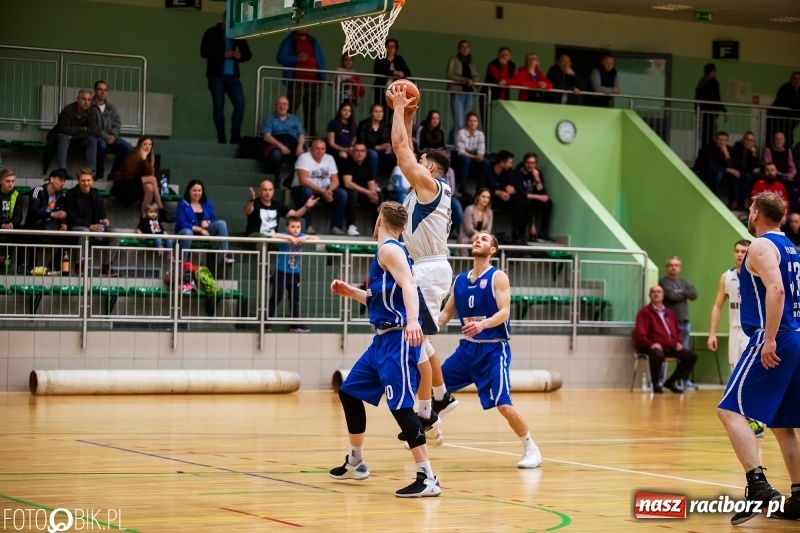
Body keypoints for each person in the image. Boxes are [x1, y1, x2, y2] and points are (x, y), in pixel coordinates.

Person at [329, 201, 440, 498]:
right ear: (402, 226)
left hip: (397, 340)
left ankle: (427, 477)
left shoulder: (389, 249)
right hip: (381, 340)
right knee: (349, 392)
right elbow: (382, 299)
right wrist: (351, 292)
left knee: (401, 406)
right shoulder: (386, 254)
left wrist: (414, 321)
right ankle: (356, 460)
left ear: (379, 221)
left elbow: (408, 285)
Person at [717, 191, 800, 525]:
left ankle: (758, 485)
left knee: (729, 410)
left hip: (775, 336)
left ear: (754, 214)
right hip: (794, 335)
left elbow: (777, 290)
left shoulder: (761, 246)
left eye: (749, 211)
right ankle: (798, 496)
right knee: (783, 425)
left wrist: (768, 339)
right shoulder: (792, 248)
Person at [389, 83, 460, 444]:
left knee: (416, 339)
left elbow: (402, 151)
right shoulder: (427, 187)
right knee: (417, 339)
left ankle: (428, 410)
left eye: (422, 163)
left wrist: (399, 109)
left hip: (429, 268)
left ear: (431, 167)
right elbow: (409, 149)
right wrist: (409, 111)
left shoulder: (430, 184)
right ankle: (441, 397)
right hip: (423, 266)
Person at [436, 231, 543, 468]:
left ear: (492, 250)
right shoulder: (460, 280)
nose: (477, 240)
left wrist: (482, 324)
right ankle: (429, 427)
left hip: (494, 351)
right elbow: (445, 314)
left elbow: (504, 312)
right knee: (435, 388)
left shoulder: (498, 277)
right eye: (476, 237)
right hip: (467, 351)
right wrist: (425, 330)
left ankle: (531, 449)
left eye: (484, 239)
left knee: (504, 406)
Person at [707, 239, 763, 437]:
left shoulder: (758, 274)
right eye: (737, 251)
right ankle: (745, 419)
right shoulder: (727, 277)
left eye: (744, 251)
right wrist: (712, 333)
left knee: (751, 376)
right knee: (734, 373)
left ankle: (756, 421)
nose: (740, 254)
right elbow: (717, 306)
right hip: (734, 330)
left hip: (753, 331)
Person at [633, 285, 698, 393]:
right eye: (653, 292)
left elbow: (677, 331)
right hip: (650, 347)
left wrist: (678, 342)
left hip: (670, 347)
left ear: (663, 296)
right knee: (657, 355)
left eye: (659, 292)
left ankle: (671, 381)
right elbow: (640, 333)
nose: (656, 294)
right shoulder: (644, 312)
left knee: (691, 356)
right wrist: (650, 344)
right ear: (650, 295)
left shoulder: (669, 312)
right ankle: (655, 384)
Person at [200, 11, 252, 144]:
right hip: (216, 76)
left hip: (233, 77)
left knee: (240, 105)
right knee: (219, 106)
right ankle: (221, 138)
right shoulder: (211, 32)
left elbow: (248, 54)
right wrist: (224, 54)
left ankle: (235, 137)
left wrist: (240, 56)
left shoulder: (238, 35)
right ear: (223, 19)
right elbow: (204, 52)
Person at [267, 215, 318, 334]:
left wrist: (305, 237)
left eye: (298, 227)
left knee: (294, 299)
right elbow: (273, 235)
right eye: (293, 227)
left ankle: (295, 325)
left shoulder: (301, 236)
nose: (296, 229)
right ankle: (266, 323)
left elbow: (317, 238)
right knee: (276, 297)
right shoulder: (284, 236)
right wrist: (289, 238)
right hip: (281, 271)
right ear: (287, 227)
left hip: (295, 273)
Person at [64, 168, 119, 276]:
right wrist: (90, 226)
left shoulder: (96, 194)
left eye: (88, 180)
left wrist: (105, 221)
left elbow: (102, 214)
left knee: (115, 235)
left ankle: (106, 266)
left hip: (95, 227)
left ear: (92, 181)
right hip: (77, 227)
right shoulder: (71, 194)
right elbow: (72, 218)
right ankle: (80, 265)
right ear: (78, 181)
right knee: (85, 232)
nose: (86, 183)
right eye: (83, 180)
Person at [290, 138, 347, 235]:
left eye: (322, 149)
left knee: (342, 194)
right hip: (301, 189)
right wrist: (322, 192)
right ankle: (307, 225)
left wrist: (329, 190)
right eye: (317, 148)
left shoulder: (329, 158)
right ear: (311, 148)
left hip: (324, 191)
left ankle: (336, 226)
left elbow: (335, 180)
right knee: (306, 192)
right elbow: (303, 180)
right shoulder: (304, 157)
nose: (320, 151)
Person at [276, 29, 326, 137]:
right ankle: (286, 135)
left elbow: (321, 60)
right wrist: (297, 58)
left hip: (314, 83)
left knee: (311, 113)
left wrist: (322, 78)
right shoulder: (289, 40)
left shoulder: (313, 41)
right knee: (290, 111)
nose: (304, 27)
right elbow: (280, 58)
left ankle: (312, 140)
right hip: (297, 82)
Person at [659, 255, 698, 389]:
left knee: (685, 353)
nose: (673, 267)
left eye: (676, 265)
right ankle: (660, 380)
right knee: (664, 352)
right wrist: (683, 293)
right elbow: (672, 296)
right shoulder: (663, 282)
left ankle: (683, 381)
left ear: (679, 268)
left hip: (684, 323)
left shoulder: (683, 282)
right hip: (669, 325)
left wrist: (681, 291)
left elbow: (693, 294)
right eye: (671, 265)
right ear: (667, 267)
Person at [112, 135, 172, 222]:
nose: (147, 147)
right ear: (140, 145)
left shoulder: (148, 157)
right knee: (152, 179)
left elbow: (148, 173)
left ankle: (144, 217)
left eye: (150, 144)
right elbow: (128, 175)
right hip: (123, 184)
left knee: (150, 188)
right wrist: (142, 164)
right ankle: (161, 209)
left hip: (135, 183)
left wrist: (144, 160)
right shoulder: (134, 156)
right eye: (145, 144)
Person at [174, 179, 234, 264]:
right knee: (188, 232)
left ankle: (226, 255)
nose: (197, 193)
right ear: (189, 191)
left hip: (206, 231)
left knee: (221, 223)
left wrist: (208, 222)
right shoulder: (182, 204)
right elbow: (181, 223)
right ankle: (183, 262)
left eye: (199, 190)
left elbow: (213, 218)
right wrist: (200, 229)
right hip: (188, 231)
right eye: (194, 190)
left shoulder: (207, 203)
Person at [23, 169, 69, 274]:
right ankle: (32, 264)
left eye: (64, 181)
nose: (62, 183)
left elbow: (62, 212)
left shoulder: (61, 195)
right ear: (52, 179)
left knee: (70, 237)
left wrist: (64, 223)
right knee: (37, 231)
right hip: (36, 224)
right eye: (60, 180)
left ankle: (54, 265)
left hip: (52, 226)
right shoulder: (38, 190)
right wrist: (51, 214)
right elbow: (33, 211)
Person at [46, 89, 99, 175]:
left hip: (77, 139)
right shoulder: (68, 110)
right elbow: (63, 128)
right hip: (59, 138)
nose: (86, 102)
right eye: (83, 99)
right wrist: (82, 129)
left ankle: (91, 171)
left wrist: (74, 136)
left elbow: (93, 130)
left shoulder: (92, 112)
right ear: (77, 99)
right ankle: (61, 170)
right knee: (64, 137)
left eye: (89, 100)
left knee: (92, 140)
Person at [244, 179, 317, 238]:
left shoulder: (277, 205)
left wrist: (306, 207)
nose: (268, 192)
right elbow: (247, 210)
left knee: (281, 242)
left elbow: (295, 215)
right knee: (263, 240)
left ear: (273, 191)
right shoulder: (254, 203)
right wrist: (251, 200)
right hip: (255, 236)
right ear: (260, 191)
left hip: (272, 238)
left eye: (270, 190)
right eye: (265, 190)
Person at [480, 150, 526, 243]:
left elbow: (518, 187)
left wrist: (512, 190)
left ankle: (517, 233)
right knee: (483, 198)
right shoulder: (486, 170)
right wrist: (497, 192)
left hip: (503, 200)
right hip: (490, 199)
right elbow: (481, 188)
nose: (511, 165)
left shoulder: (509, 172)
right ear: (502, 162)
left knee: (521, 200)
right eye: (509, 162)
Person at [260, 96, 306, 188]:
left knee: (305, 155)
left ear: (288, 106)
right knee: (276, 155)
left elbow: (301, 135)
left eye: (285, 104)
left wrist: (300, 146)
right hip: (275, 144)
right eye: (279, 104)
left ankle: (290, 180)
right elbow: (266, 136)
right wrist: (281, 146)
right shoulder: (269, 118)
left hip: (292, 143)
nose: (282, 106)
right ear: (275, 105)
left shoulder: (294, 119)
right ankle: (275, 182)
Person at [91, 80, 132, 180]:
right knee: (102, 145)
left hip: (111, 137)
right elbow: (92, 126)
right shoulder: (90, 106)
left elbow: (117, 123)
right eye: (100, 89)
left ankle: (113, 174)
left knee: (127, 147)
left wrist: (113, 135)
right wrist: (106, 137)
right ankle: (99, 175)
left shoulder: (111, 107)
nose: (103, 92)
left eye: (105, 90)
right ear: (95, 91)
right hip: (95, 137)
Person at [342, 143, 382, 236]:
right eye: (357, 151)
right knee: (352, 194)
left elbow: (371, 182)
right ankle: (351, 225)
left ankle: (377, 229)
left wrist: (372, 193)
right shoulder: (347, 162)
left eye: (362, 151)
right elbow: (348, 183)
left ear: (366, 153)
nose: (360, 153)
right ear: (352, 152)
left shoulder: (368, 163)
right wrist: (368, 192)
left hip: (364, 193)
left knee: (379, 197)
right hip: (350, 191)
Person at [514, 152, 554, 243]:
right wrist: (538, 197)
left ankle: (543, 232)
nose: (530, 165)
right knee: (524, 201)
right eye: (528, 162)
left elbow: (542, 192)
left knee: (548, 202)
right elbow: (520, 193)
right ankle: (521, 234)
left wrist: (537, 179)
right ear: (524, 162)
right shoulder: (518, 173)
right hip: (521, 200)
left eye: (533, 163)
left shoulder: (537, 173)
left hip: (533, 200)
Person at [446, 40, 479, 138]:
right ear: (459, 49)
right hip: (457, 92)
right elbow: (450, 74)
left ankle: (454, 142)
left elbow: (477, 76)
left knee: (466, 123)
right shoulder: (454, 60)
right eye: (463, 47)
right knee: (459, 122)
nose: (465, 49)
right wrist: (464, 80)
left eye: (467, 47)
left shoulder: (471, 63)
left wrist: (472, 80)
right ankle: (453, 145)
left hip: (469, 93)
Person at [356, 104, 394, 181]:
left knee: (395, 157)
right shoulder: (364, 124)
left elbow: (387, 140)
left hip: (383, 151)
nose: (379, 114)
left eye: (381, 111)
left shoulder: (384, 125)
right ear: (371, 113)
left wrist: (388, 147)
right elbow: (361, 142)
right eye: (376, 111)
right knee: (373, 155)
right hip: (368, 150)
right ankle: (372, 180)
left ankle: (392, 182)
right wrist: (377, 147)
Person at [694, 64, 727, 147]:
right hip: (710, 113)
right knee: (711, 136)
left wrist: (697, 111)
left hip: (702, 113)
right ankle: (709, 155)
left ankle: (703, 154)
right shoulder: (713, 82)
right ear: (712, 71)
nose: (716, 73)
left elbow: (696, 99)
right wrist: (724, 110)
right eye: (715, 71)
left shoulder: (700, 82)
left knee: (704, 136)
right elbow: (716, 98)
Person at [372, 38, 412, 106]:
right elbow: (377, 71)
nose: (391, 49)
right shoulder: (380, 58)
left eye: (393, 46)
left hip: (396, 90)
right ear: (385, 47)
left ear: (396, 48)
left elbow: (408, 72)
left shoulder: (399, 59)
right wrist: (393, 73)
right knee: (380, 106)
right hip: (382, 88)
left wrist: (402, 73)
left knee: (392, 108)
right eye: (389, 46)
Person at [765, 71, 800, 148]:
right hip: (776, 118)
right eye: (795, 79)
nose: (797, 81)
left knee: (788, 140)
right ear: (791, 79)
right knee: (773, 138)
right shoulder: (785, 88)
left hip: (789, 121)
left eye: (799, 79)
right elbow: (788, 103)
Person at [454, 111, 486, 194]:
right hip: (461, 156)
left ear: (478, 123)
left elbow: (481, 150)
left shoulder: (480, 134)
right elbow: (461, 151)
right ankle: (462, 187)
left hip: (474, 155)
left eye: (475, 121)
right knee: (466, 161)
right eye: (470, 121)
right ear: (467, 122)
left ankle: (481, 187)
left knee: (485, 162)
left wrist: (480, 156)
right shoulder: (461, 133)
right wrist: (475, 157)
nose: (473, 123)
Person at [729, 131, 761, 211]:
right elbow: (736, 164)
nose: (748, 142)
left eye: (751, 140)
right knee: (742, 176)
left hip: (746, 173)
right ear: (743, 139)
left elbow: (756, 166)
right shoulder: (737, 147)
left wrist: (753, 154)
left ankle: (741, 204)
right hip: (735, 171)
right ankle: (733, 202)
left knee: (749, 177)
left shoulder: (752, 150)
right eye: (747, 139)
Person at [457, 188, 492, 255]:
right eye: (483, 196)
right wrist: (478, 236)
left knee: (488, 243)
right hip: (467, 237)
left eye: (488, 197)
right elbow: (468, 229)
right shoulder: (469, 209)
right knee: (465, 241)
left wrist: (479, 236)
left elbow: (488, 230)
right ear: (478, 197)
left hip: (481, 238)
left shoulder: (489, 213)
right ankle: (465, 263)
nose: (486, 199)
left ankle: (485, 265)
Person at [326, 102, 356, 171]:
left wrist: (350, 148)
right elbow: (331, 143)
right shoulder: (333, 123)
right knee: (343, 155)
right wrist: (344, 149)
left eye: (349, 111)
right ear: (340, 111)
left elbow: (354, 139)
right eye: (344, 110)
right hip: (335, 150)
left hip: (349, 150)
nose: (347, 112)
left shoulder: (353, 125)